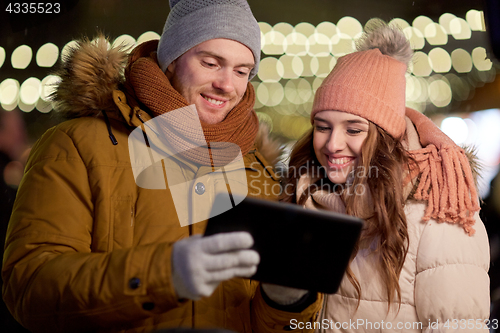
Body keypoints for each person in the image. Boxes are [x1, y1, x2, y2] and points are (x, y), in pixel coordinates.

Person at [2, 1, 322, 332]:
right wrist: (162, 274)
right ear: (171, 61)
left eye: (242, 71)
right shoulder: (77, 146)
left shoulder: (258, 170)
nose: (227, 85)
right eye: (211, 63)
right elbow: (29, 286)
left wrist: (286, 300)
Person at [280, 20, 490, 332]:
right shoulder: (306, 203)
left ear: (385, 137)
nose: (333, 144)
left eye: (353, 129)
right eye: (323, 127)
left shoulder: (437, 213)